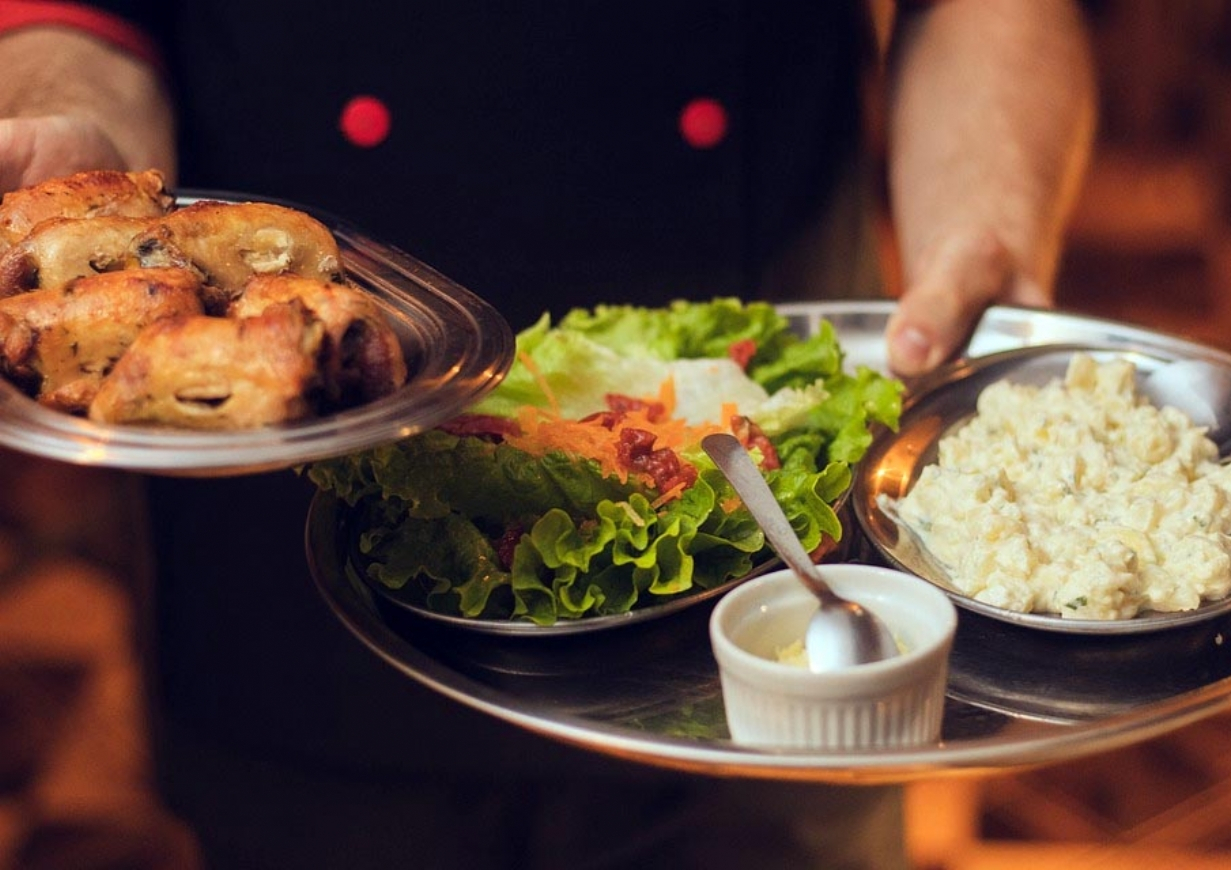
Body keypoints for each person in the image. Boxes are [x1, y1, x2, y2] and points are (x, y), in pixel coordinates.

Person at [0, 1, 1097, 868]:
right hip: (302, 483)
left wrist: (987, 240)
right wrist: (82, 193)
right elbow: (84, 10)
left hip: (752, 480)